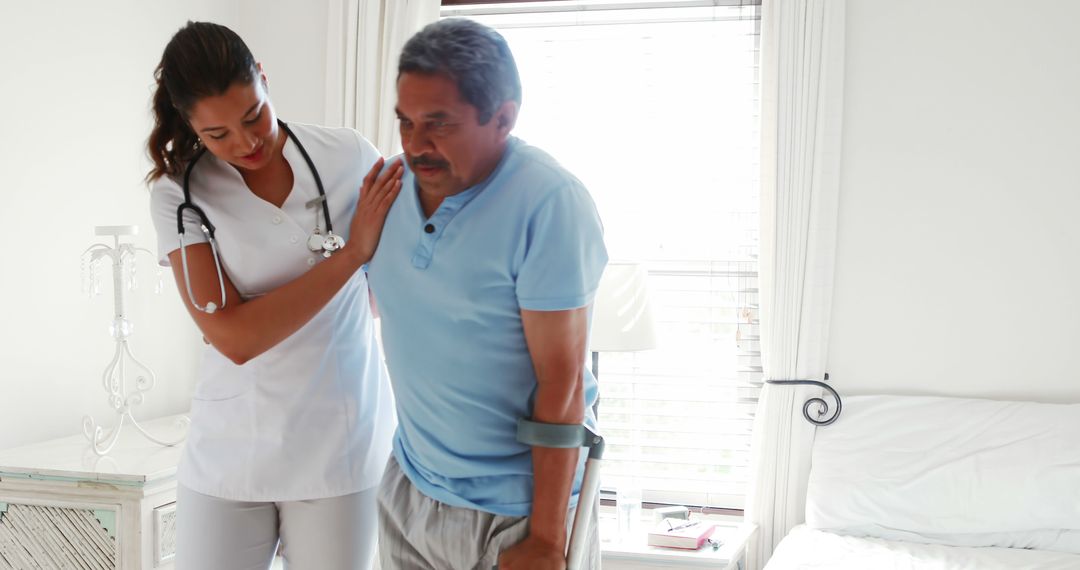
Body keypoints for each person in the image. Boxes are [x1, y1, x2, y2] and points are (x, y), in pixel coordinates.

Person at [145, 21, 402, 570]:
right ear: (190, 125)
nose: (246, 144)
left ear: (263, 78)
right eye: (217, 135)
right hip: (232, 448)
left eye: (253, 116)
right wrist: (349, 257)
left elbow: (395, 287)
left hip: (341, 442)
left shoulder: (350, 156)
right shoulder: (180, 192)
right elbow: (234, 337)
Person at [367, 18, 609, 570]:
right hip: (411, 489)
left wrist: (547, 540)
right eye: (404, 122)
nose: (414, 145)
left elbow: (562, 380)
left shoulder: (550, 203)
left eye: (438, 125)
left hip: (517, 513)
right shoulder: (386, 186)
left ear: (503, 118)